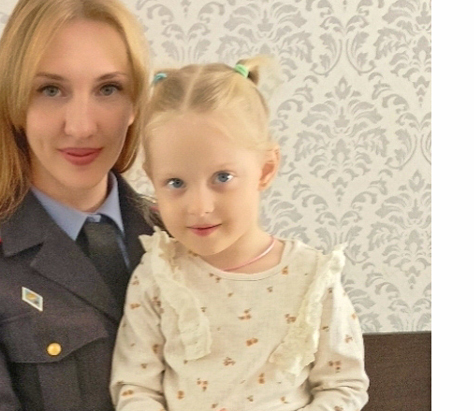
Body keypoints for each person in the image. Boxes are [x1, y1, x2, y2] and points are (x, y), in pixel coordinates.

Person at [0, 0, 156, 411]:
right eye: (50, 90)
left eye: (108, 89)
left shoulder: (189, 239)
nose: (81, 126)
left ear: (136, 102)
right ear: (14, 104)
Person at [110, 59, 369, 411]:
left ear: (265, 169)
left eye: (222, 178)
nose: (199, 206)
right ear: (152, 178)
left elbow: (344, 385)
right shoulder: (158, 276)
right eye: (175, 183)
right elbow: (135, 388)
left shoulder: (312, 277)